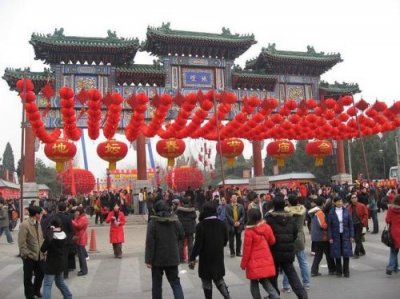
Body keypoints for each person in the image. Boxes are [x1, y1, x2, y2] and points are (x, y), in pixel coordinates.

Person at [266, 196, 308, 299]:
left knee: (273, 275)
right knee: (292, 274)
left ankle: (275, 295)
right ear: (284, 205)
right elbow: (294, 233)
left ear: (274, 205)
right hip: (288, 250)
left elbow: (267, 235)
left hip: (274, 250)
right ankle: (302, 295)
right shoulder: (290, 218)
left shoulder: (269, 218)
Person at [189, 202, 231, 299]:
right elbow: (225, 240)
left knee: (206, 281)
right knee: (219, 279)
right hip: (218, 256)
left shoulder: (200, 226)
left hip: (205, 258)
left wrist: (192, 258)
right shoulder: (221, 224)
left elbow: (197, 245)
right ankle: (227, 296)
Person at [145, 200, 184, 299]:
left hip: (157, 259)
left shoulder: (153, 222)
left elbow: (150, 242)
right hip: (172, 257)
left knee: (157, 285)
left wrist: (148, 260)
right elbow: (182, 235)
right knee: (175, 283)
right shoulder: (175, 220)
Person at [240, 209, 279, 299]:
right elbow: (272, 241)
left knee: (254, 282)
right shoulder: (266, 227)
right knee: (264, 280)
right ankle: (275, 296)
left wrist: (243, 264)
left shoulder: (249, 231)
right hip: (266, 257)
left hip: (253, 261)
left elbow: (247, 250)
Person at [282, 195, 310, 291]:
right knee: (303, 261)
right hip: (300, 235)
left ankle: (286, 285)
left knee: (287, 263)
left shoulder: (287, 211)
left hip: (289, 236)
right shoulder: (302, 209)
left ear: (289, 202)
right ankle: (306, 283)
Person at [41, 217, 73, 299]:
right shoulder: (64, 235)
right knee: (60, 282)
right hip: (61, 262)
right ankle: (68, 296)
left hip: (51, 264)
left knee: (47, 284)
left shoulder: (50, 236)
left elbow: (42, 249)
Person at [18, 206, 45, 299]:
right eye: (40, 213)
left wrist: (44, 252)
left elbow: (41, 238)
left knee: (41, 274)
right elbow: (22, 242)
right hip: (29, 256)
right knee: (28, 277)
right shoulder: (24, 225)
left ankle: (36, 290)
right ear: (36, 214)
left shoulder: (38, 223)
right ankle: (29, 295)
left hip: (40, 255)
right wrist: (26, 254)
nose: (41, 215)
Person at [328, 197, 354, 278]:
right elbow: (329, 226)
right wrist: (330, 237)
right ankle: (339, 271)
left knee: (346, 253)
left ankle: (346, 271)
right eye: (338, 201)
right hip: (336, 235)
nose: (340, 203)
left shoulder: (346, 211)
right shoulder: (331, 212)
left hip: (345, 234)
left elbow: (350, 224)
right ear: (334, 203)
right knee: (337, 253)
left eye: (341, 201)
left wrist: (351, 235)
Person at [309, 197, 336, 276]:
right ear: (323, 204)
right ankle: (332, 269)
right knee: (328, 253)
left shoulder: (314, 212)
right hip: (322, 237)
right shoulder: (320, 212)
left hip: (316, 236)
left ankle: (314, 271)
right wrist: (329, 226)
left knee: (319, 254)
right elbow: (323, 225)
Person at [176, 196, 197, 263]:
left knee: (181, 244)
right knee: (190, 244)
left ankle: (181, 258)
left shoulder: (179, 210)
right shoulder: (192, 209)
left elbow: (177, 217)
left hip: (181, 228)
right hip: (190, 228)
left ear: (182, 202)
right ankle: (190, 258)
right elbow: (195, 217)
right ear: (189, 202)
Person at [348, 193, 368, 258]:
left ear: (357, 198)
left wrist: (363, 222)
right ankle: (362, 251)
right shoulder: (349, 207)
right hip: (352, 225)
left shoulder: (362, 205)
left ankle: (356, 253)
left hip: (360, 224)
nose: (354, 199)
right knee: (357, 239)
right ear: (350, 199)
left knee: (358, 238)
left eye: (355, 197)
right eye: (352, 198)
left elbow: (366, 215)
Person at [385, 195, 400, 275]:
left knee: (394, 251)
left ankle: (391, 267)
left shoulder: (391, 208)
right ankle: (395, 267)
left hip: (394, 232)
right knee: (395, 251)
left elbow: (387, 220)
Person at [71, 207, 88, 276]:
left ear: (80, 211)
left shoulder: (83, 218)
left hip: (82, 237)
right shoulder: (78, 217)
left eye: (77, 211)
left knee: (81, 256)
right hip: (78, 237)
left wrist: (72, 221)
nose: (76, 212)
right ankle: (82, 269)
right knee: (80, 255)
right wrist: (74, 219)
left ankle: (84, 270)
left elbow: (79, 226)